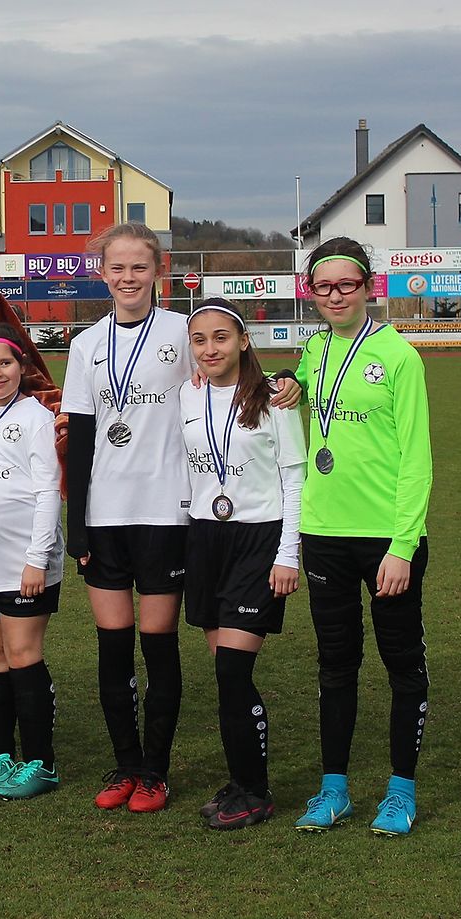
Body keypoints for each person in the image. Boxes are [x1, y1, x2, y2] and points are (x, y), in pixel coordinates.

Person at [292, 236, 433, 837]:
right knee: (335, 664)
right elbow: (296, 387)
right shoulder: (314, 349)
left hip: (386, 539)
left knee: (401, 663)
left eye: (346, 285)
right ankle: (334, 790)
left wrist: (403, 546)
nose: (335, 296)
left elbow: (417, 460)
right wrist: (287, 384)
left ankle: (401, 791)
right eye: (323, 286)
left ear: (369, 288)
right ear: (311, 293)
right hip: (323, 532)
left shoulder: (398, 356)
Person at [62, 222, 193, 813]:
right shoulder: (87, 344)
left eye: (139, 267)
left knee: (158, 644)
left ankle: (156, 772)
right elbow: (81, 438)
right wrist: (78, 524)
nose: (128, 277)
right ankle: (126, 765)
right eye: (117, 267)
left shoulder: (183, 332)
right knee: (113, 648)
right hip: (106, 516)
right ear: (102, 273)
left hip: (167, 512)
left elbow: (223, 391)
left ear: (158, 271)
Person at [179, 298, 306, 830]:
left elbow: (295, 478)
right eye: (200, 339)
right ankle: (239, 781)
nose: (210, 349)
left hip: (258, 539)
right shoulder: (187, 394)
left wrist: (287, 554)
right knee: (224, 673)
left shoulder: (275, 398)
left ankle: (256, 791)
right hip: (206, 538)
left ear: (243, 340)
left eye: (221, 337)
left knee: (234, 670)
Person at [0, 323, 63, 800]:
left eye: (5, 363)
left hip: (25, 560)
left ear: (22, 366)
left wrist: (36, 559)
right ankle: (1, 754)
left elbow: (48, 491)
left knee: (23, 653)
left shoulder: (35, 417)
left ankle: (41, 763)